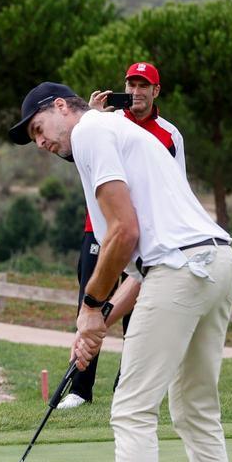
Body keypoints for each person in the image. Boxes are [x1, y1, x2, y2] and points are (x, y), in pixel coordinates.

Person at [9, 81, 232, 462]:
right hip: (216, 263)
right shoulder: (118, 131)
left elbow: (125, 234)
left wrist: (89, 308)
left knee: (131, 412)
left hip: (181, 269)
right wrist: (104, 318)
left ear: (61, 108)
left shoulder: (91, 133)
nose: (41, 143)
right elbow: (145, 259)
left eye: (39, 129)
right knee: (197, 413)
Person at [58, 62, 185, 410]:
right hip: (99, 229)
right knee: (90, 300)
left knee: (139, 309)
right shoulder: (107, 123)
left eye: (144, 86)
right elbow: (74, 154)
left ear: (156, 91)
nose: (135, 92)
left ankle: (125, 385)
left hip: (144, 237)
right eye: (131, 84)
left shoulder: (170, 135)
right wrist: (91, 118)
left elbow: (176, 185)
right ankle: (80, 389)